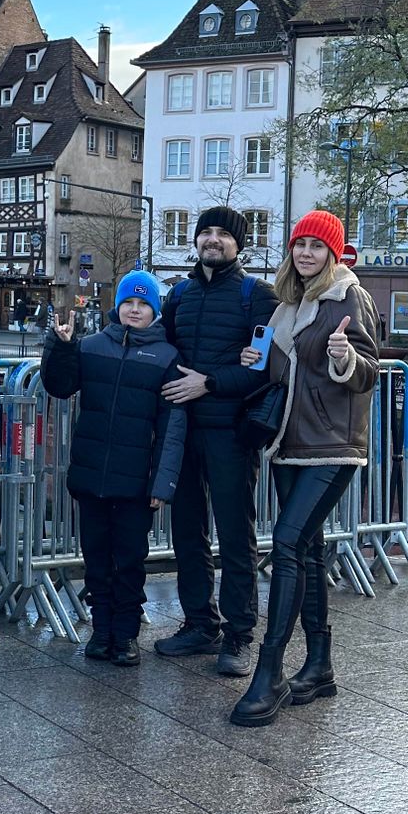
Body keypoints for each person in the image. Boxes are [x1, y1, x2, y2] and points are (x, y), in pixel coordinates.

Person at [230, 211, 379, 727]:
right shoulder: (286, 304)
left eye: (317, 246)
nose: (307, 253)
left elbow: (368, 371)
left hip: (332, 445)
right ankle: (319, 666)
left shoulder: (348, 296)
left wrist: (345, 356)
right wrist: (256, 361)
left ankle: (269, 672)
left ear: (333, 253)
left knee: (287, 543)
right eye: (300, 245)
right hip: (288, 444)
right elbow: (285, 371)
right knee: (309, 551)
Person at [156, 207, 279, 677]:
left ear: (238, 244)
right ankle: (199, 624)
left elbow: (264, 369)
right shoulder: (179, 294)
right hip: (182, 430)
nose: (212, 240)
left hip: (230, 431)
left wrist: (207, 383)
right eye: (205, 232)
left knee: (234, 535)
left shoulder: (257, 296)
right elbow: (162, 349)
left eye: (223, 234)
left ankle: (240, 634)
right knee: (187, 532)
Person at [42, 269, 186, 665]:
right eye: (128, 303)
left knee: (129, 560)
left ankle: (125, 635)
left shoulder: (166, 357)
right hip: (92, 474)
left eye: (143, 304)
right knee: (96, 558)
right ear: (117, 307)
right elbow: (60, 385)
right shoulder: (91, 347)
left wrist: (162, 483)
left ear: (154, 310)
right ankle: (101, 630)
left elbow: (172, 426)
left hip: (137, 481)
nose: (134, 310)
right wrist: (60, 345)